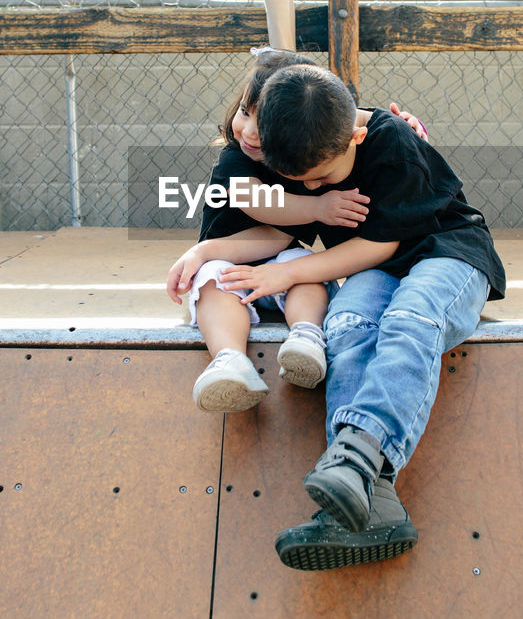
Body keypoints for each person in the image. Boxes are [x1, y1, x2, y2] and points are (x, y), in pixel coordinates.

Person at [214, 63, 505, 571]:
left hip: (449, 254)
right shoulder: (298, 146)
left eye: (324, 178)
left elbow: (381, 243)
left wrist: (287, 275)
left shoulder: (390, 140)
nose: (316, 186)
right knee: (345, 326)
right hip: (380, 268)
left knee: (410, 320)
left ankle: (359, 454)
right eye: (304, 183)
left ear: (356, 133)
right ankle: (366, 504)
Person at [165, 49, 428, 413]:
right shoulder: (237, 158)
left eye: (265, 123)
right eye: (245, 113)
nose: (251, 133)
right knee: (215, 282)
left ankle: (306, 337)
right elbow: (255, 201)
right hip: (230, 256)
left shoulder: (304, 151)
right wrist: (318, 207)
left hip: (283, 257)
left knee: (307, 271)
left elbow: (336, 121)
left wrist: (406, 129)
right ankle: (230, 360)